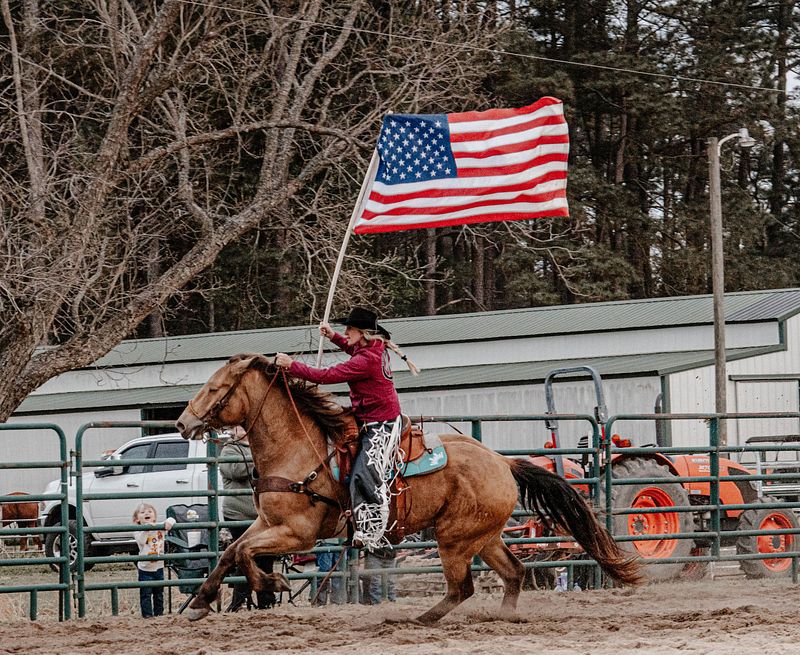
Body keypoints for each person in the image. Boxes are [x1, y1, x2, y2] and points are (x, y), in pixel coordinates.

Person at [275, 307, 419, 549]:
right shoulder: (371, 350)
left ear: (362, 333)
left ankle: (373, 529)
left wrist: (292, 365)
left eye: (350, 329)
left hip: (381, 425)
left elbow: (325, 375)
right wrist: (333, 336)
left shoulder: (367, 360)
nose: (346, 332)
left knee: (365, 473)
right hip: (369, 418)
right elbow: (352, 349)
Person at [219, 427, 276, 611]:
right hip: (239, 513)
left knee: (265, 557)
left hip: (261, 514)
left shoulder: (261, 445)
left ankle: (265, 601)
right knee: (244, 557)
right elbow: (235, 470)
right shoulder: (230, 449)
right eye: (239, 426)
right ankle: (239, 601)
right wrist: (260, 454)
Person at [132, 503, 176, 618]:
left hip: (159, 567)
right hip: (145, 569)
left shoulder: (159, 527)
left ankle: (159, 615)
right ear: (137, 519)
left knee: (159, 594)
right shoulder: (137, 531)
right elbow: (141, 541)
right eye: (142, 512)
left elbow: (172, 519)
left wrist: (168, 523)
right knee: (146, 594)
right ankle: (147, 616)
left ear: (155, 517)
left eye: (150, 512)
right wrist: (147, 529)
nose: (146, 513)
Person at [312, 538, 347, 606]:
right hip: (326, 540)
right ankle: (321, 601)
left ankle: (336, 601)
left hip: (340, 541)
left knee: (338, 571)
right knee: (325, 570)